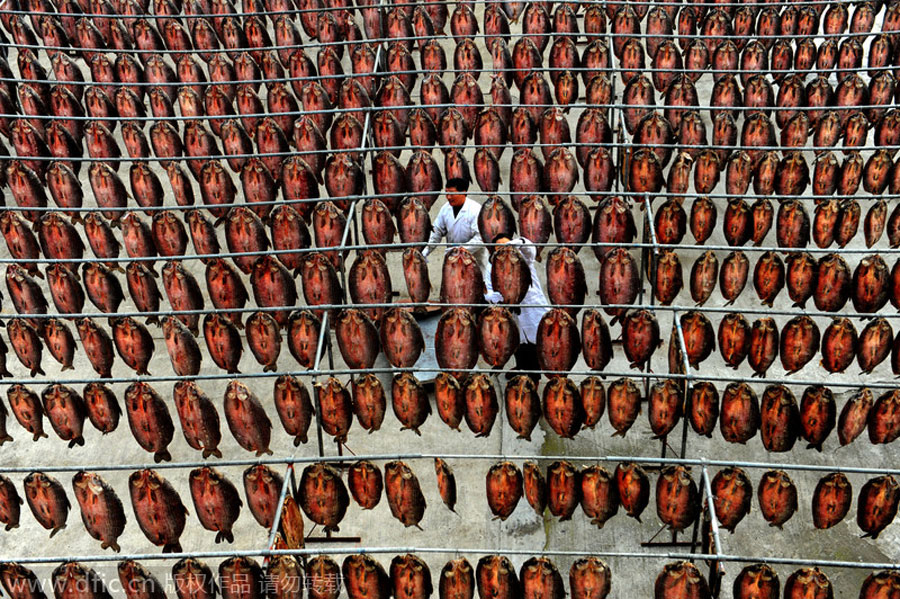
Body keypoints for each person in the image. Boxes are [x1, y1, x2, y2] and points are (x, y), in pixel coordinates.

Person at [483, 231, 550, 383]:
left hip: (532, 306)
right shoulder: (491, 266)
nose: (503, 250)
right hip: (512, 309)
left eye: (507, 244)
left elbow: (530, 247)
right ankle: (521, 368)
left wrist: (511, 245)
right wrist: (502, 297)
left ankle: (534, 376)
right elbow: (489, 292)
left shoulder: (523, 257)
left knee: (536, 342)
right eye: (498, 247)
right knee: (517, 343)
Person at [421, 177, 490, 287]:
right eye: (446, 193)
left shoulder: (475, 209)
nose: (448, 197)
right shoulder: (445, 209)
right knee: (454, 289)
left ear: (463, 192)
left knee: (475, 289)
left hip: (475, 258)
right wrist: (425, 250)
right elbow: (436, 231)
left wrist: (462, 250)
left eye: (452, 193)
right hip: (452, 260)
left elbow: (481, 237)